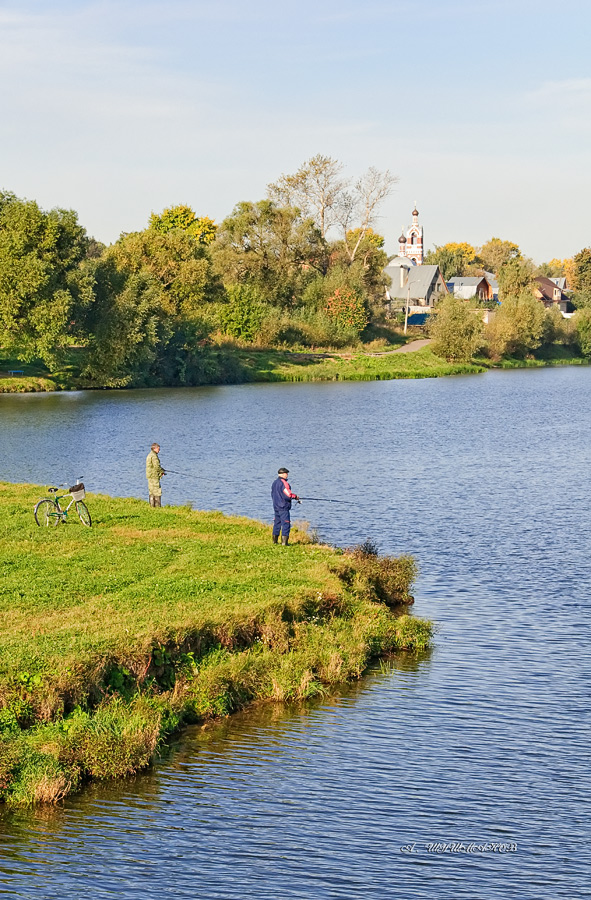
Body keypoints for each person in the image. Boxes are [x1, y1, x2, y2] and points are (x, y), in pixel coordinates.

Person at [271, 467, 299, 545]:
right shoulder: (284, 483)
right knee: (286, 523)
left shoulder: (274, 483)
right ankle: (284, 543)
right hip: (283, 507)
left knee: (277, 523)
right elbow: (288, 494)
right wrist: (295, 496)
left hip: (276, 506)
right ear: (283, 474)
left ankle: (275, 541)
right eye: (286, 473)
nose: (287, 475)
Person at [146, 442, 165, 507]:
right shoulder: (154, 456)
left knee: (151, 491)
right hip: (154, 476)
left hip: (150, 476)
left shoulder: (149, 455)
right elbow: (156, 466)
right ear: (154, 448)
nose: (159, 450)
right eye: (158, 449)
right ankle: (157, 506)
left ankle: (152, 506)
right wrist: (161, 472)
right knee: (157, 491)